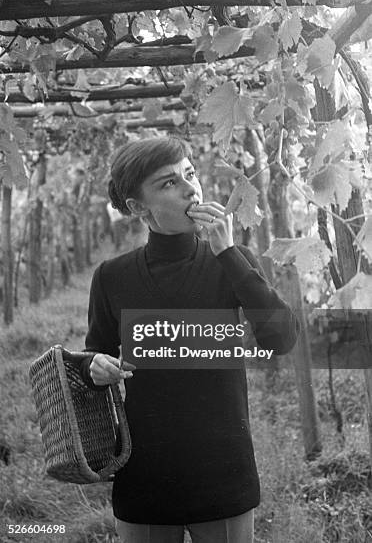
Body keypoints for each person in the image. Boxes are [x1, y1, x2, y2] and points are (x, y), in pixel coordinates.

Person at [79, 136, 299, 543]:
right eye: (168, 183)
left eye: (190, 174)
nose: (190, 189)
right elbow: (95, 361)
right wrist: (96, 367)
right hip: (144, 472)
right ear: (137, 207)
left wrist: (229, 254)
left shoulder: (233, 262)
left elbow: (282, 337)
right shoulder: (111, 276)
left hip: (223, 471)